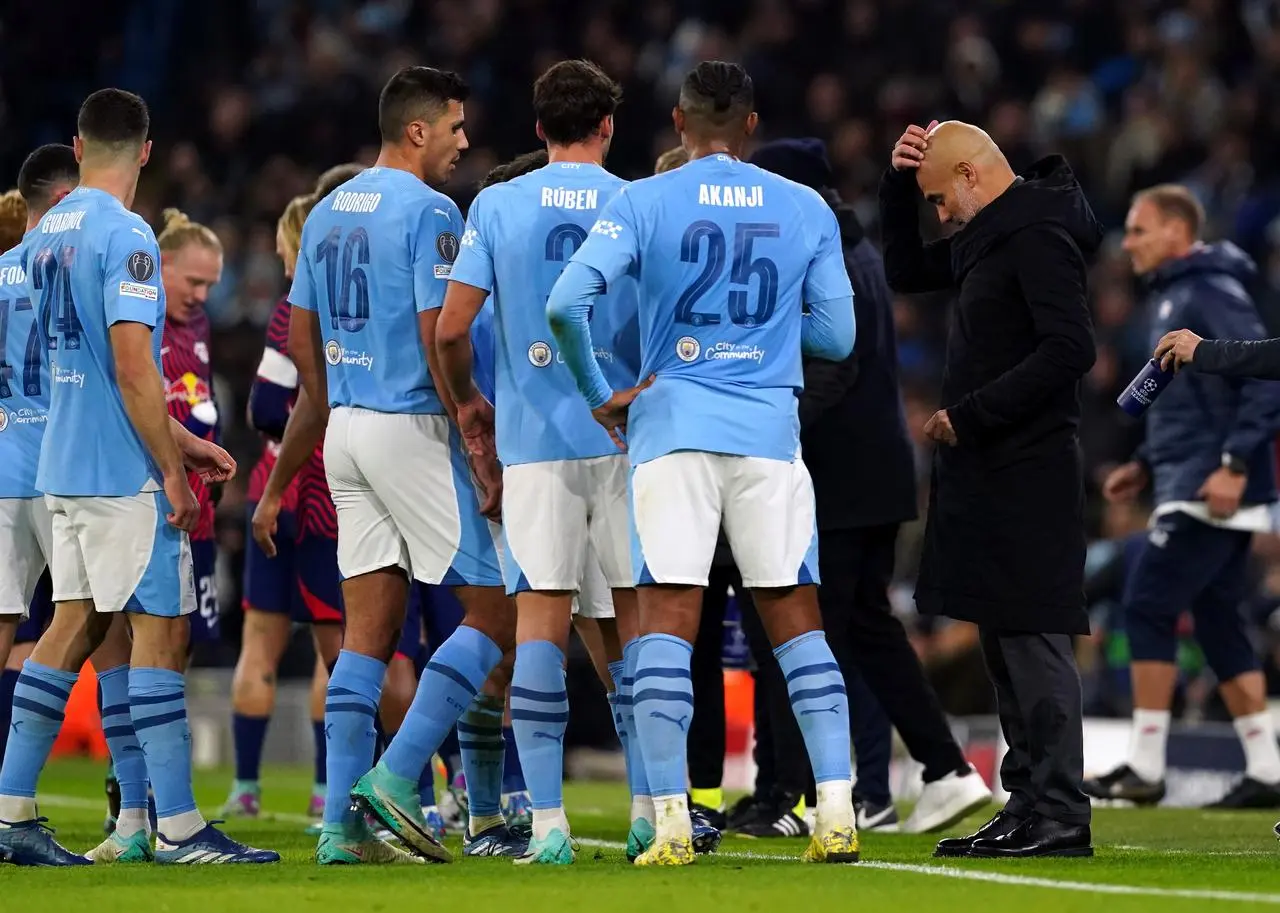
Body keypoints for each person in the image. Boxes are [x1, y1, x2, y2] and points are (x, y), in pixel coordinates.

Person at [548, 60, 859, 867]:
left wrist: (599, 393)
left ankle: (675, 823)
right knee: (796, 623)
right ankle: (836, 811)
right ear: (752, 125)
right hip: (768, 433)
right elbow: (838, 337)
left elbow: (566, 303)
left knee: (666, 623)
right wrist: (761, 338)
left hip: (673, 427)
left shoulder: (643, 199)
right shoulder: (806, 206)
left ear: (679, 125)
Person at [0, 88, 276, 866]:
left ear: (80, 147)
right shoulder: (128, 237)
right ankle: (180, 825)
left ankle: (13, 807)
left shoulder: (45, 230)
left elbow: (93, 370)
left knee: (74, 623)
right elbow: (130, 369)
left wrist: (182, 442)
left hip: (60, 462)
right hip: (119, 471)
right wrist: (172, 469)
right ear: (147, 151)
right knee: (162, 630)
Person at [253, 66, 515, 866]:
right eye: (455, 128)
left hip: (346, 431)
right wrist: (474, 428)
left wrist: (313, 435)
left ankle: (340, 828)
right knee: (499, 612)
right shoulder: (433, 211)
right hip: (409, 424)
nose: (463, 143)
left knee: (365, 635)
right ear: (416, 130)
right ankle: (398, 778)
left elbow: (302, 348)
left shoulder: (326, 210)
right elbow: (444, 333)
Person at [751, 137, 992, 834]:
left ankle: (804, 794)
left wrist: (771, 428)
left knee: (806, 633)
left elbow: (834, 369)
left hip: (842, 479)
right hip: (871, 473)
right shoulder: (849, 247)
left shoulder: (824, 253)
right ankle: (944, 769)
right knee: (864, 629)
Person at [880, 120, 1099, 859]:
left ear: (973, 174)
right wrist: (895, 183)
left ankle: (1061, 810)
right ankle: (1029, 802)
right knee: (1006, 644)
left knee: (1033, 640)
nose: (939, 215)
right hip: (992, 467)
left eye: (940, 198)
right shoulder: (995, 231)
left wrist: (971, 414)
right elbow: (907, 271)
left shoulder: (1036, 234)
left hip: (1029, 467)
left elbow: (1071, 348)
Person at [1092, 184, 1280, 809]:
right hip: (1183, 475)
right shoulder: (1173, 293)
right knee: (1219, 619)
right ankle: (1267, 767)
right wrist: (1145, 464)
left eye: (1140, 230)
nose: (1130, 243)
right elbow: (1186, 397)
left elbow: (1261, 377)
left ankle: (1146, 763)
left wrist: (1233, 464)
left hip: (1210, 484)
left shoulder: (1210, 290)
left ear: (1177, 231)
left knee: (1147, 602)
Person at [228, 166, 362, 828]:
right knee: (334, 647)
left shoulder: (291, 312)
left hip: (278, 487)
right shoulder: (362, 307)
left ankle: (246, 787)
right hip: (331, 494)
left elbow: (261, 405)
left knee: (261, 643)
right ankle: (325, 791)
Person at [0, 146, 78, 765]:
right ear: (60, 200)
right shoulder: (66, 270)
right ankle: (131, 806)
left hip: (2, 474)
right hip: (63, 473)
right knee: (98, 629)